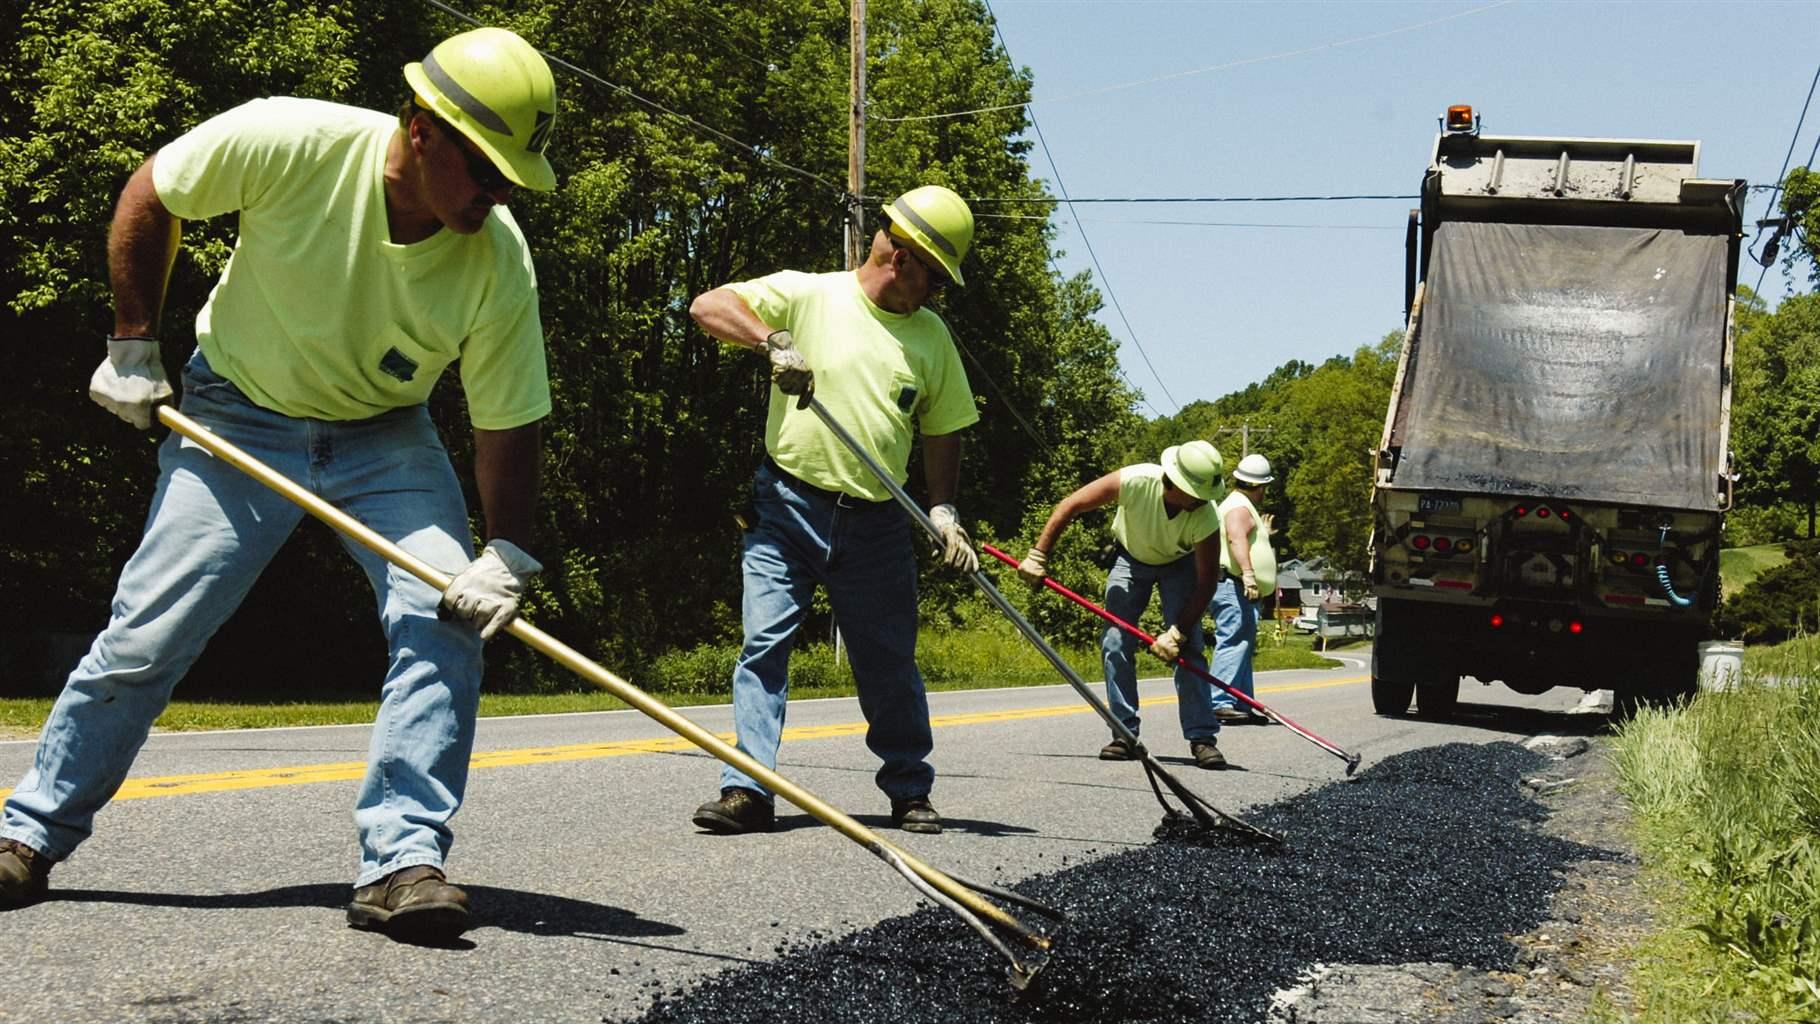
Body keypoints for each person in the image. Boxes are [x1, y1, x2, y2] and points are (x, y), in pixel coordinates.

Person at [0, 27, 560, 943]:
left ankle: (401, 861)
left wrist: (503, 551)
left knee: (445, 618)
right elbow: (156, 191)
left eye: (512, 174)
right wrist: (133, 341)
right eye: (486, 166)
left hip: (385, 438)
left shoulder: (498, 258)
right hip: (235, 416)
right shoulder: (290, 139)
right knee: (150, 632)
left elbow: (507, 419)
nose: (499, 191)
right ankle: (25, 835)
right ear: (421, 128)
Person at [686, 185, 981, 837]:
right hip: (785, 507)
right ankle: (748, 790)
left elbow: (945, 428)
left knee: (888, 660)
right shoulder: (810, 294)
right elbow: (708, 306)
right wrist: (772, 343)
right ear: (901, 257)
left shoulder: (932, 339)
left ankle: (908, 788)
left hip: (876, 523)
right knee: (764, 643)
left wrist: (943, 509)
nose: (936, 296)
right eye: (935, 280)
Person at [1017, 440, 1232, 769]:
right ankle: (1124, 734)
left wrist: (1177, 632)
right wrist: (1038, 554)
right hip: (1130, 558)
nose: (1202, 500)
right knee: (1115, 642)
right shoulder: (1135, 481)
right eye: (1195, 493)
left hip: (1179, 564)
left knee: (1188, 650)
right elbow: (1071, 504)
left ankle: (1202, 738)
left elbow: (1205, 583)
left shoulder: (1205, 516)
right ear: (1172, 483)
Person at [1210, 453, 1279, 724]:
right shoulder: (1239, 507)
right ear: (1261, 486)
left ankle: (1242, 702)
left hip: (1237, 586)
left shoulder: (1239, 504)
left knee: (1242, 643)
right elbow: (1235, 536)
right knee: (1234, 640)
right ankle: (1219, 700)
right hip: (1235, 585)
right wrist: (1249, 575)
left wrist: (1262, 535)